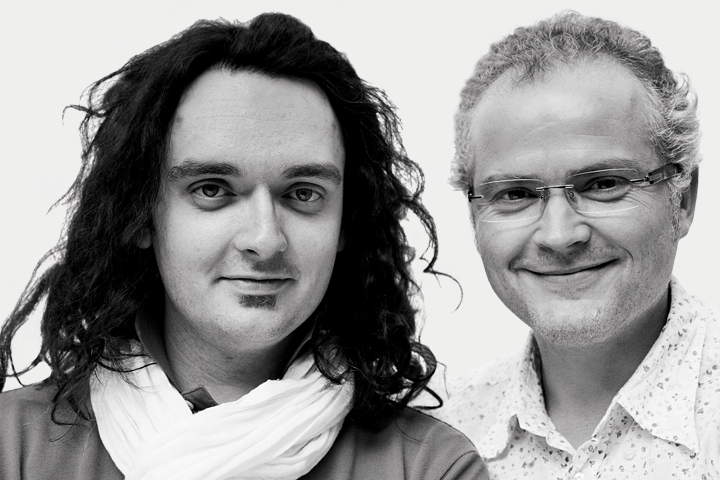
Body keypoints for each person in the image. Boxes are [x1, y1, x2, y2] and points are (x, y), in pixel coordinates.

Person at [0, 13, 486, 480]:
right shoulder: (11, 449)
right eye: (212, 189)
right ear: (140, 215)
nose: (265, 239)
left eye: (303, 194)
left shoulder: (431, 468)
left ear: (346, 224)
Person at [434, 11, 719, 479]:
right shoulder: (439, 436)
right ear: (474, 217)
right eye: (516, 194)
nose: (559, 236)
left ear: (682, 198)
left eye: (604, 184)